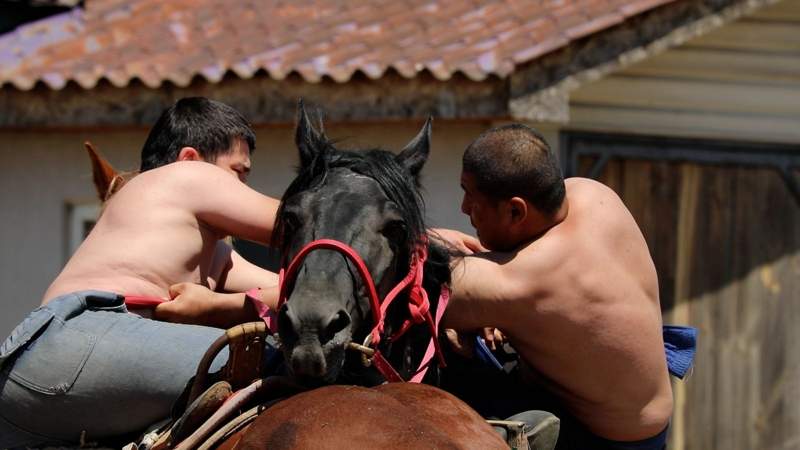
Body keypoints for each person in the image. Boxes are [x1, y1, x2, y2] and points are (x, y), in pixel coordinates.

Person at [0, 98, 281, 448]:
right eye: (239, 173)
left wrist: (219, 304)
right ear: (190, 160)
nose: (243, 188)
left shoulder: (206, 249)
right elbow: (312, 224)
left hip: (32, 382)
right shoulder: (187, 177)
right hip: (87, 333)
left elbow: (295, 291)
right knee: (287, 363)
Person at [441, 124, 673, 450]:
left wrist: (432, 237)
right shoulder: (593, 194)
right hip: (644, 418)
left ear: (515, 210)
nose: (464, 209)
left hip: (603, 442)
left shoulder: (521, 282)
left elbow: (418, 280)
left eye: (470, 194)